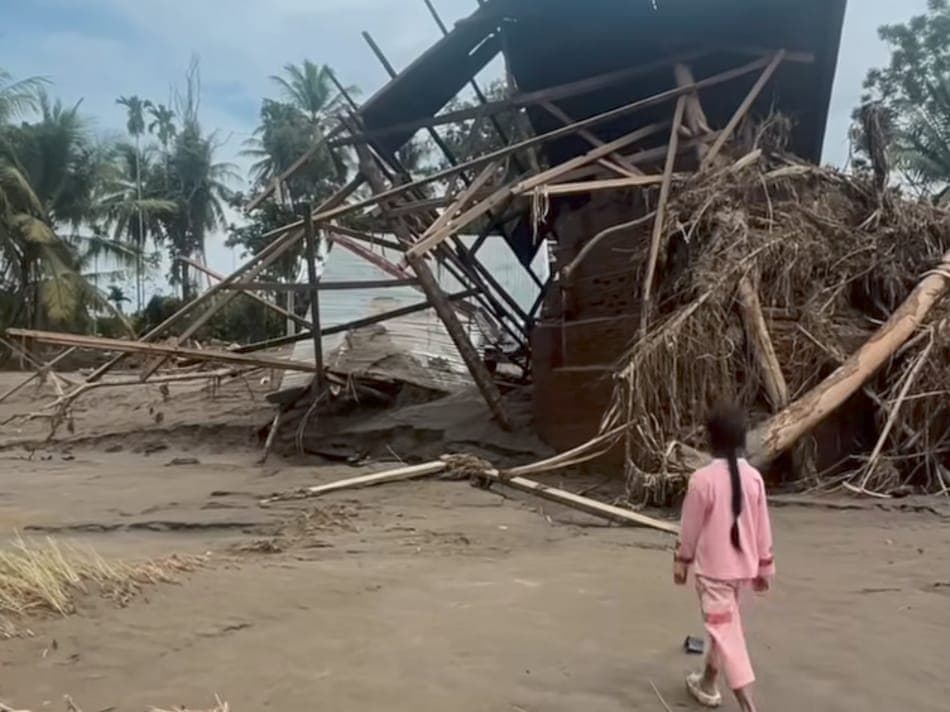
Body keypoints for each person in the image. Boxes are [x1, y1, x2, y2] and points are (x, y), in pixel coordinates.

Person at [673, 402, 775, 711]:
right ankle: (707, 682)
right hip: (743, 571)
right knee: (724, 627)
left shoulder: (702, 480)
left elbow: (689, 528)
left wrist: (682, 561)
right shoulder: (753, 478)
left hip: (714, 573)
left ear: (710, 439)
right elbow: (763, 529)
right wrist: (764, 568)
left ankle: (747, 705)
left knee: (726, 633)